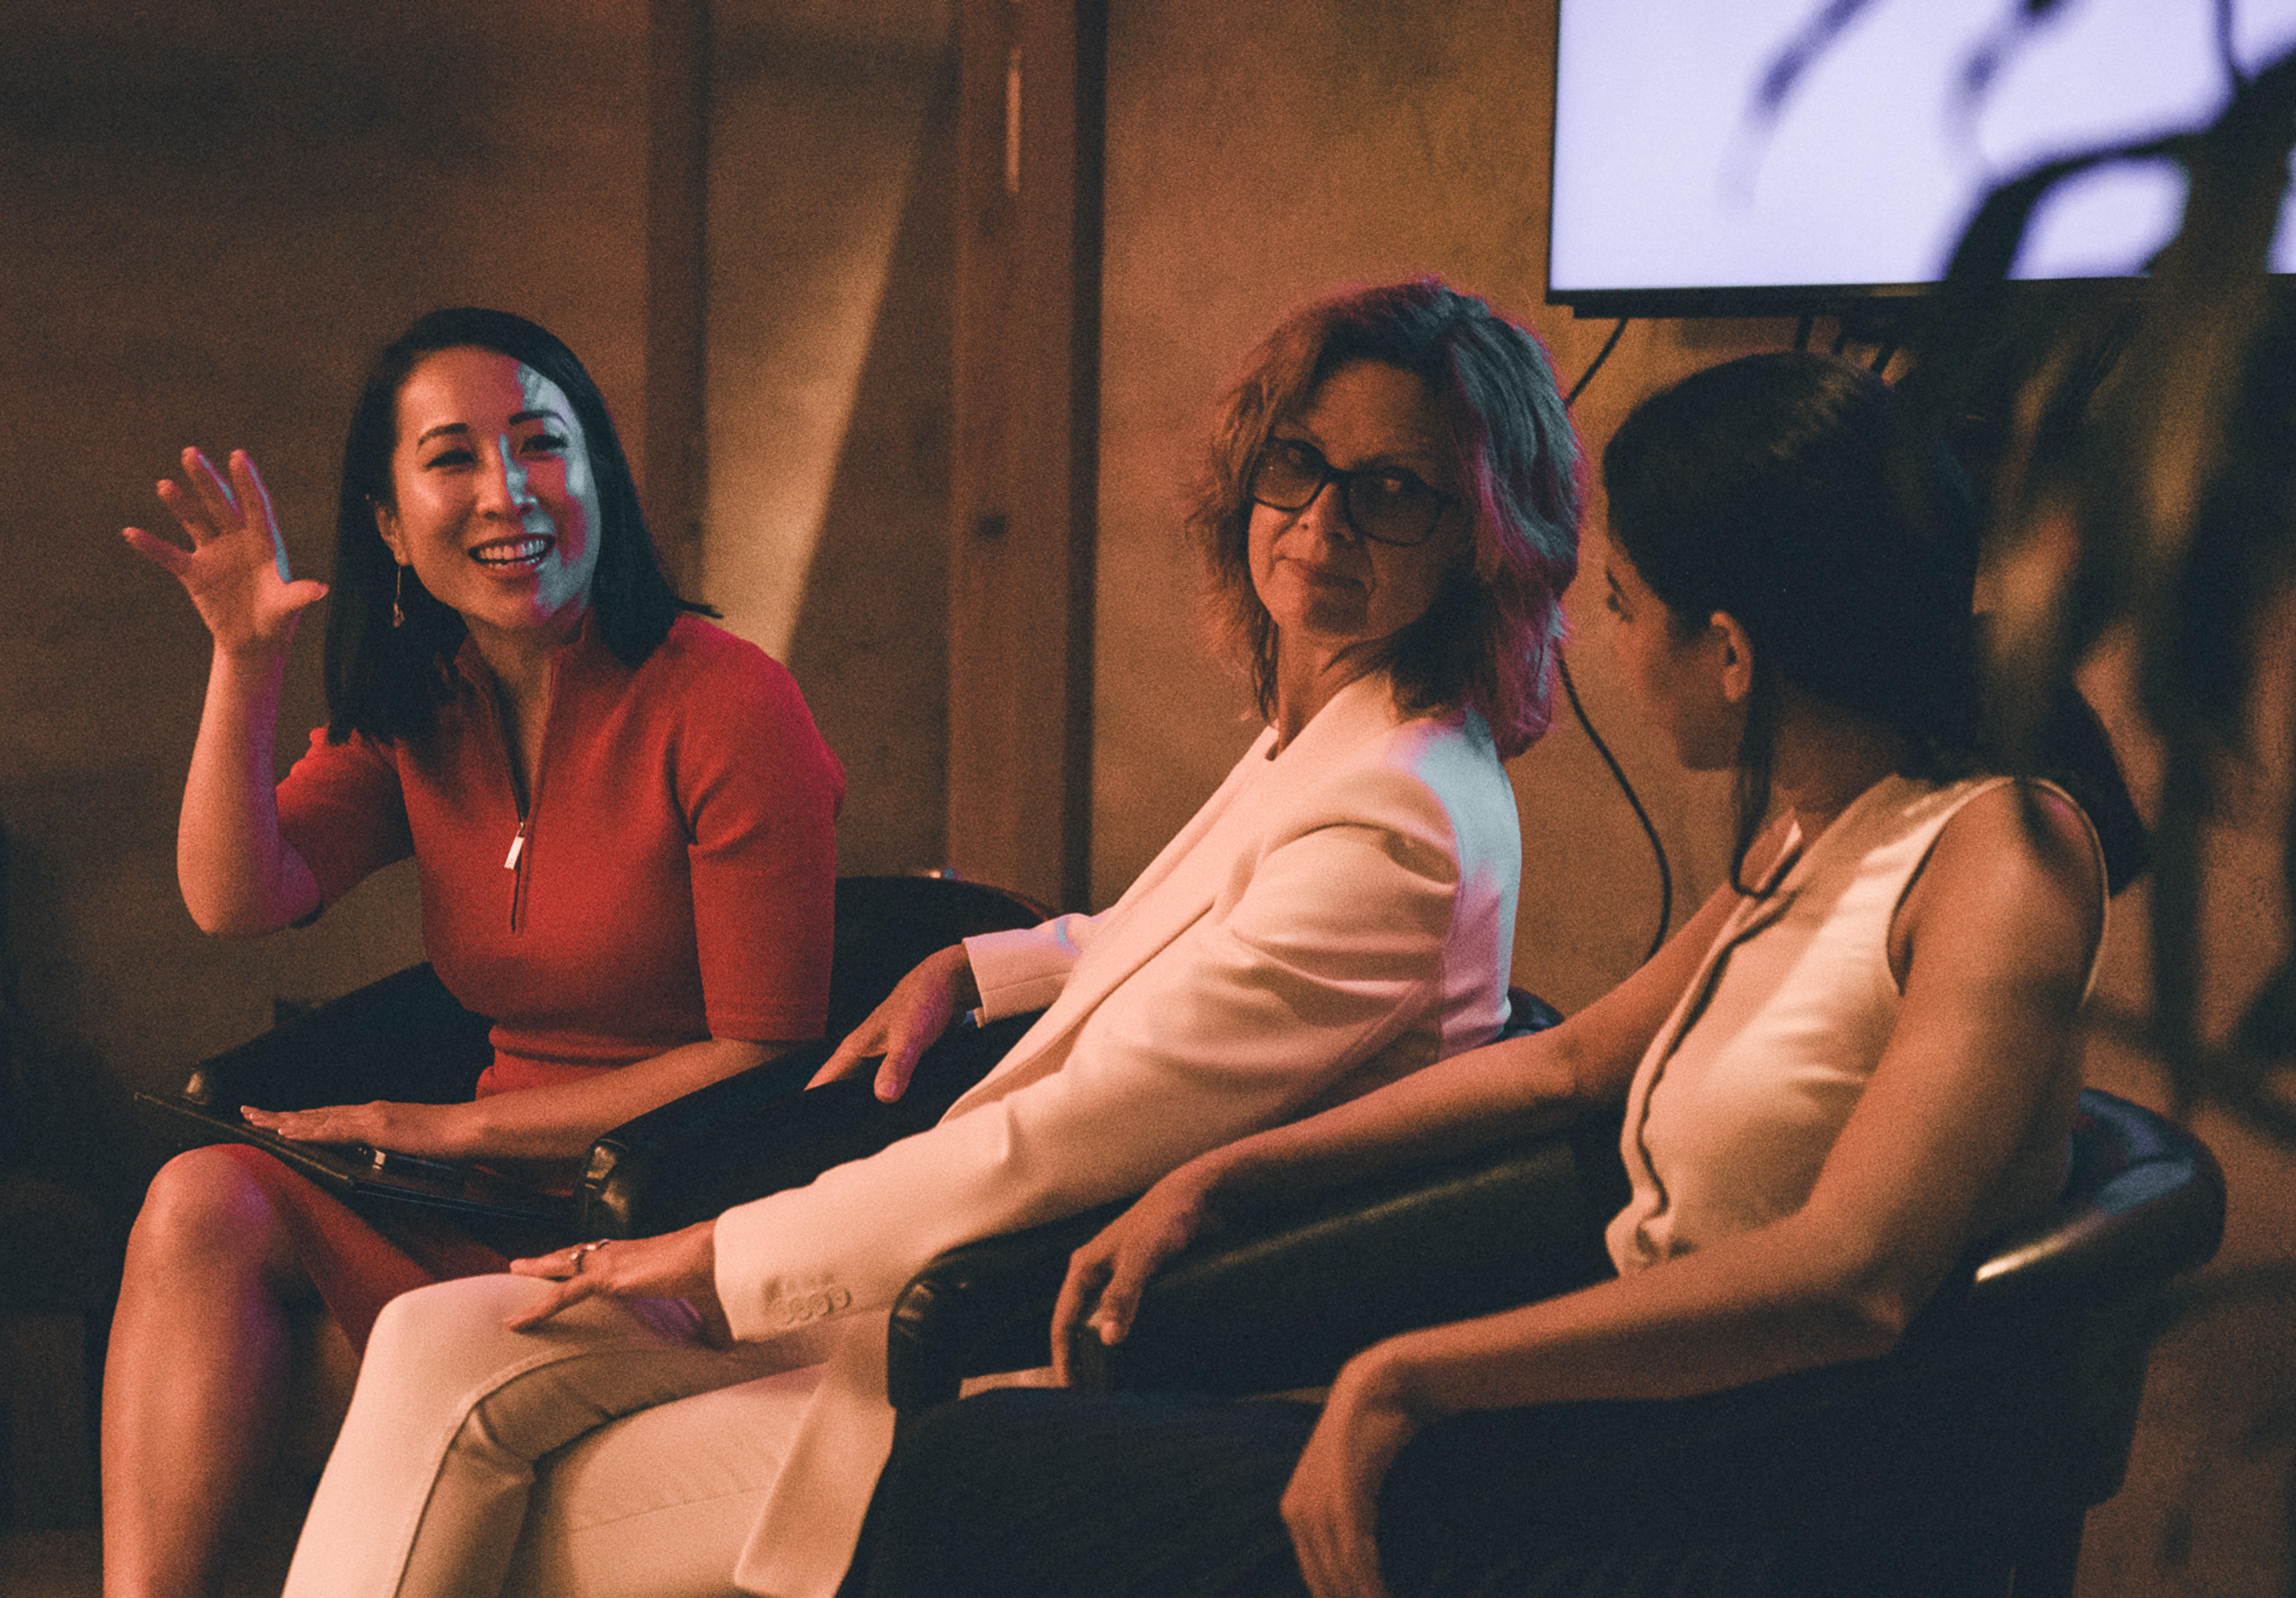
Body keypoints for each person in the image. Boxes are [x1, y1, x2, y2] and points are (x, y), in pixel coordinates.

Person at [276, 277, 1583, 1598]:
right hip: (952, 1275)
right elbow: (1196, 933)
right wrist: (987, 962)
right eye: (1300, 465)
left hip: (1053, 1335)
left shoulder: (1397, 819)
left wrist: (706, 1249)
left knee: (501, 1479)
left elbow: (1059, 1141)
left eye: (1395, 490)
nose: (1321, 522)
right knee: (439, 1344)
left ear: (1486, 537)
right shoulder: (1341, 735)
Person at [834, 350, 2127, 1598]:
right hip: (1628, 1439)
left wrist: (1413, 1374)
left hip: (1752, 1508)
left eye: (1622, 605)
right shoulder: (1820, 819)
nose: (1606, 647)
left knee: (974, 1486)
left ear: (1731, 651)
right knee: (975, 1469)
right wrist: (1214, 1176)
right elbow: (1570, 1060)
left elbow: (1853, 1272)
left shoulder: (2002, 857)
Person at [108, 308, 844, 1598]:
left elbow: (762, 1054)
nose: (508, 491)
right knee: (199, 1200)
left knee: (291, 1364)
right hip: (482, 1216)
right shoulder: (426, 705)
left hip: (664, 1222)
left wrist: (438, 1128)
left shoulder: (727, 700)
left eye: (541, 445)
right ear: (391, 525)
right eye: (453, 458)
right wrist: (245, 660)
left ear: (596, 479)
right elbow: (238, 893)